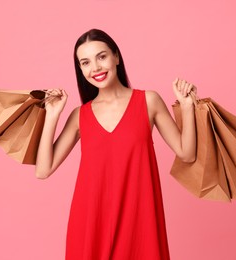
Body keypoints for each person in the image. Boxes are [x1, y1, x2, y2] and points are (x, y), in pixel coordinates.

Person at [35, 28, 196, 260]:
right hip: (91, 223)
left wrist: (187, 106)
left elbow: (187, 153)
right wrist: (52, 115)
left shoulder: (148, 101)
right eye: (85, 62)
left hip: (139, 223)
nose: (96, 68)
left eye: (101, 57)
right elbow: (43, 170)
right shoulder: (79, 115)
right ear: (80, 69)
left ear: (116, 57)